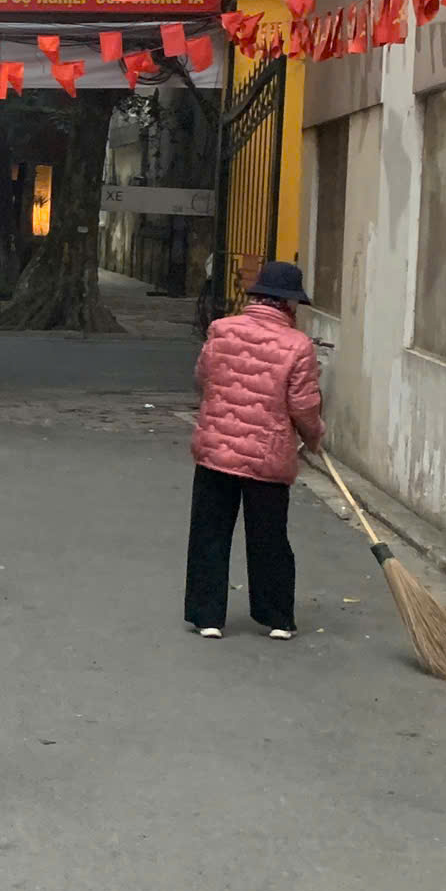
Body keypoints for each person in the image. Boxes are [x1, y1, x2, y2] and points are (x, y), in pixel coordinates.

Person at [185, 259, 323, 643]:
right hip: (267, 455)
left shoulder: (221, 330)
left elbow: (203, 379)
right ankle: (276, 617)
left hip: (216, 449)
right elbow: (304, 406)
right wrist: (314, 436)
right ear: (289, 304)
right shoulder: (299, 347)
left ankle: (206, 615)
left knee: (209, 533)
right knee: (269, 537)